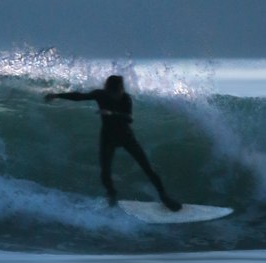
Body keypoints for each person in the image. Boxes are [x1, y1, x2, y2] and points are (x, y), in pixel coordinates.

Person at [45, 74, 181, 210]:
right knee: (105, 172)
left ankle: (164, 197)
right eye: (116, 90)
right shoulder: (101, 94)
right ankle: (112, 196)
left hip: (126, 137)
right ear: (109, 89)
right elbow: (80, 96)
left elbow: (129, 118)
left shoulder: (125, 98)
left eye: (119, 90)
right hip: (108, 138)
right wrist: (57, 95)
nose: (119, 92)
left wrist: (111, 113)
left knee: (147, 168)